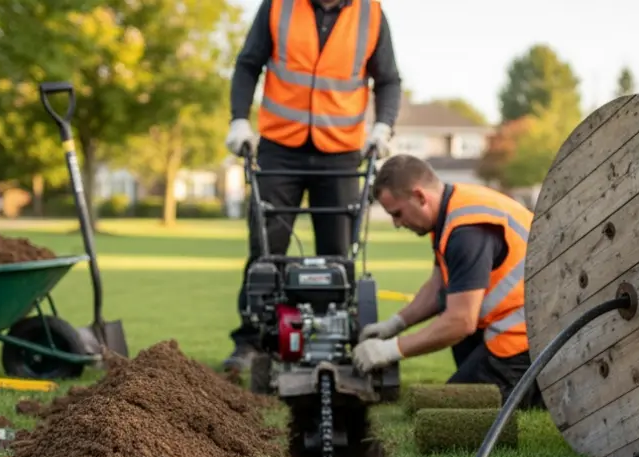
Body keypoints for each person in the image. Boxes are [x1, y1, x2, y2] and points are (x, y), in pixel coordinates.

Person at [221, 0, 403, 375]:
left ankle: (332, 340)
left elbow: (388, 79)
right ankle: (252, 342)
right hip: (278, 149)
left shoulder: (370, 13)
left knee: (338, 252)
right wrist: (239, 120)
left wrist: (383, 126)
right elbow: (248, 64)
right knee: (266, 248)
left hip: (340, 151)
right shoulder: (278, 6)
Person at [353, 154, 543, 408]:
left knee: (442, 409)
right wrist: (395, 324)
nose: (396, 224)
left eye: (397, 213)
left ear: (420, 197)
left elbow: (460, 321)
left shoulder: (467, 231)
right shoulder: (453, 210)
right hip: (516, 326)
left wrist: (390, 350)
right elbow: (438, 287)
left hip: (529, 337)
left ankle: (539, 391)